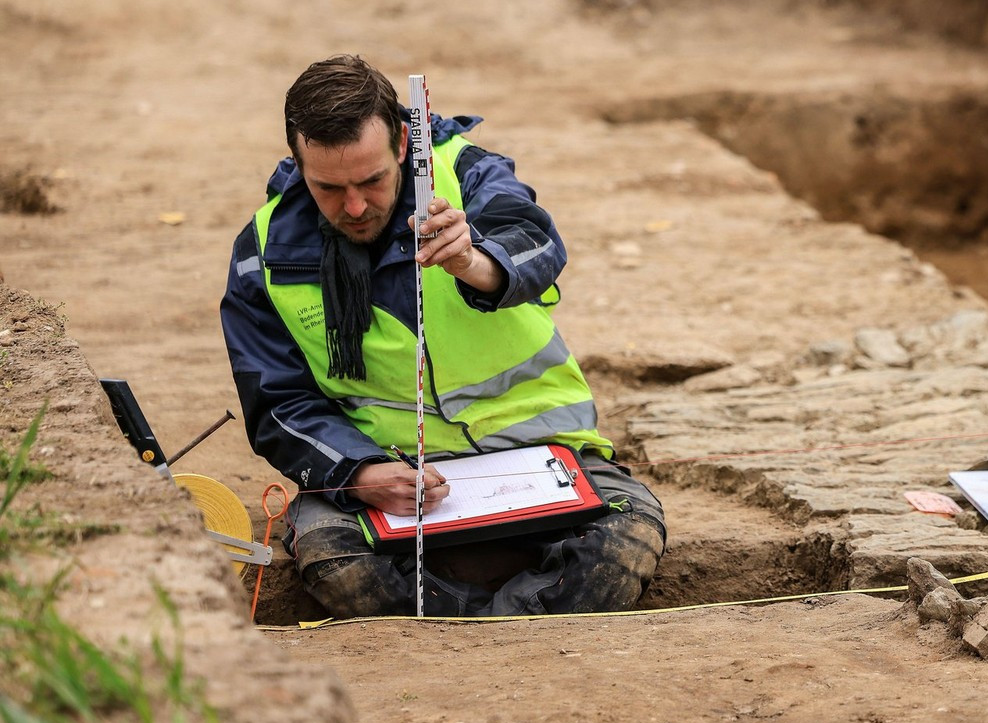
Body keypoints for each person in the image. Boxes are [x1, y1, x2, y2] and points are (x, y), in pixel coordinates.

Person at [220, 55, 664, 617]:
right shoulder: (263, 254)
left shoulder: (467, 172)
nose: (354, 206)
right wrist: (360, 474)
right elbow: (278, 404)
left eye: (372, 180)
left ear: (405, 143)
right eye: (329, 188)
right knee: (334, 560)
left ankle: (487, 629)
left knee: (625, 542)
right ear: (298, 161)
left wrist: (476, 262)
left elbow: (538, 244)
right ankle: (479, 634)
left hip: (540, 458)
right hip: (389, 475)